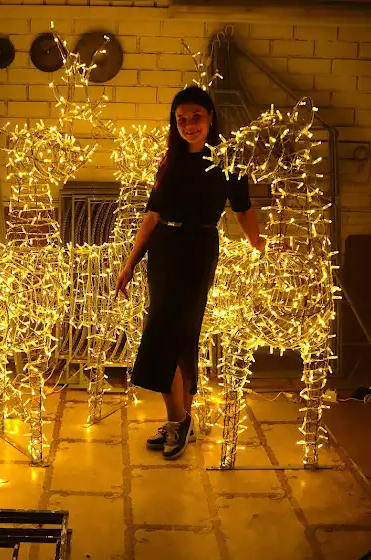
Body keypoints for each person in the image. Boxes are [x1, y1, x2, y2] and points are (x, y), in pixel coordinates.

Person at [114, 86, 265, 460]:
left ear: (211, 116)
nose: (188, 125)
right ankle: (182, 421)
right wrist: (130, 263)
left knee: (172, 334)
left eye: (196, 116)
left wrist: (258, 243)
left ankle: (177, 421)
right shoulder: (170, 161)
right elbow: (152, 217)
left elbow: (243, 208)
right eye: (181, 119)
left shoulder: (227, 161)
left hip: (198, 251)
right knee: (170, 333)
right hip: (164, 250)